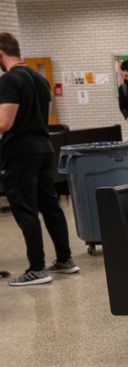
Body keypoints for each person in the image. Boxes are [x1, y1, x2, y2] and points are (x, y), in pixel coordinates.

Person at [0, 31, 76, 286]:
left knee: (25, 208)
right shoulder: (40, 78)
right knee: (50, 205)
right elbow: (45, 114)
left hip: (20, 151)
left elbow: (4, 122)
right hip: (44, 147)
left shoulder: (9, 80)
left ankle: (37, 268)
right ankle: (65, 260)